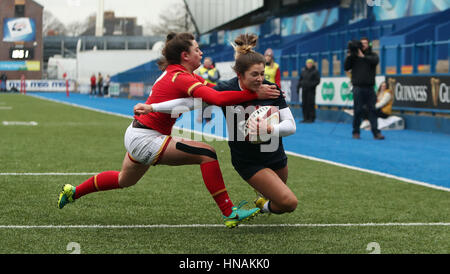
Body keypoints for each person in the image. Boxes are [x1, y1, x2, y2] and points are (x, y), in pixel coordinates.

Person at [58, 32, 280, 228]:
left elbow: (218, 91)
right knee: (207, 153)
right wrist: (254, 95)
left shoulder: (184, 74)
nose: (201, 53)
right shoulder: (180, 76)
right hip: (147, 137)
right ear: (185, 55)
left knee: (124, 180)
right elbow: (216, 98)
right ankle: (229, 212)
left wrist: (246, 78)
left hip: (139, 133)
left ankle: (73, 192)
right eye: (197, 49)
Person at [147, 34, 298, 215]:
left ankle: (263, 200)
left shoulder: (271, 90)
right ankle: (263, 207)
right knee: (289, 203)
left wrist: (269, 129)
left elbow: (290, 125)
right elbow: (188, 103)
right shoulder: (225, 88)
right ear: (239, 74)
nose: (260, 79)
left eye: (262, 73)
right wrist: (152, 107)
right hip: (249, 161)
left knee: (278, 203)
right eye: (254, 74)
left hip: (275, 156)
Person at [344, 37, 385, 140]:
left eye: (365, 43)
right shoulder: (353, 57)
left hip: (370, 87)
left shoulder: (372, 55)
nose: (363, 45)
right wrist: (349, 55)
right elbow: (346, 67)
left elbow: (375, 61)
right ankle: (356, 132)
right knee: (357, 110)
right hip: (358, 87)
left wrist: (363, 56)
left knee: (372, 110)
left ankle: (376, 132)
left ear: (369, 44)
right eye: (361, 44)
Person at [297, 59, 320, 123]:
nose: (309, 64)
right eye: (308, 63)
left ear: (312, 64)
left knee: (311, 104)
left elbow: (317, 81)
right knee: (304, 104)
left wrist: (311, 85)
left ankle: (311, 118)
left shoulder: (315, 71)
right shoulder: (303, 71)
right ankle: (305, 118)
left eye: (310, 63)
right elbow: (300, 80)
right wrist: (298, 87)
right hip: (304, 90)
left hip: (311, 90)